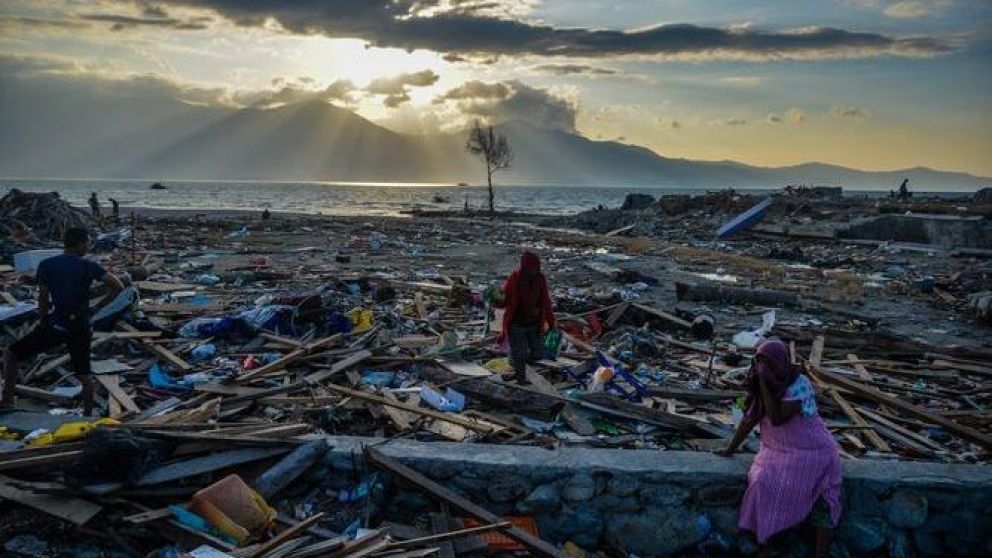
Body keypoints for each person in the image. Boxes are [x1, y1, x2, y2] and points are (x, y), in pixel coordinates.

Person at [716, 338, 842, 558]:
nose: (763, 368)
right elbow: (749, 419)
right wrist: (730, 449)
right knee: (761, 482)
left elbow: (776, 418)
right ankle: (769, 541)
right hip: (778, 451)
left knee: (821, 500)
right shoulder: (758, 382)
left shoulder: (798, 383)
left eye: (769, 363)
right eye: (760, 362)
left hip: (813, 452)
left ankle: (819, 553)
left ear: (781, 362)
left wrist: (764, 382)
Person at [2, 228, 124, 416]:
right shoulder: (88, 265)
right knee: (84, 374)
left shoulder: (47, 264)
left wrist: (43, 319)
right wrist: (97, 307)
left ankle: (8, 401)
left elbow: (43, 297)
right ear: (80, 244)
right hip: (82, 325)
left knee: (12, 354)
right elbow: (117, 285)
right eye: (87, 243)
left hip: (57, 324)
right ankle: (88, 416)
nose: (88, 247)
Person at [498, 251, 556, 384]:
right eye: (532, 268)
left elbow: (546, 301)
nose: (534, 271)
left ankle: (525, 373)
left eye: (536, 268)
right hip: (516, 322)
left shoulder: (540, 279)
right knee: (519, 354)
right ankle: (521, 379)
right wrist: (496, 298)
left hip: (534, 323)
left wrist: (551, 323)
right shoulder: (515, 278)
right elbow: (505, 299)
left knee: (537, 352)